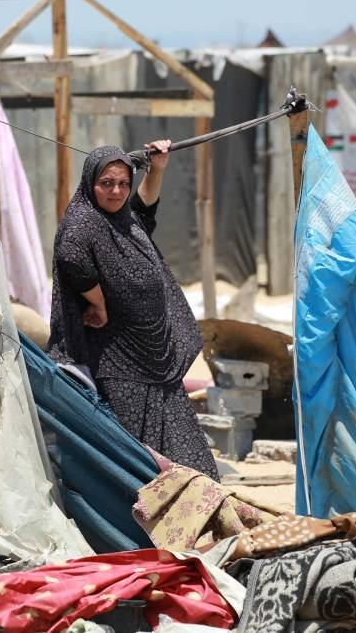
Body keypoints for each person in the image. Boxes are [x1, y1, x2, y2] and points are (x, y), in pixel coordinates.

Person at [48, 140, 220, 481]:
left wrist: (157, 168)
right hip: (118, 363)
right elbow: (72, 259)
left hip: (156, 361)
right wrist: (97, 303)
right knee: (134, 457)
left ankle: (197, 518)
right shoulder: (85, 222)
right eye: (107, 183)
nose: (116, 191)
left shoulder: (125, 218)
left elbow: (144, 208)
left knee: (191, 462)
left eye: (123, 184)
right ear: (90, 182)